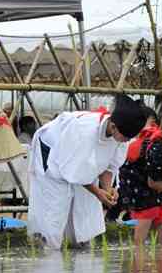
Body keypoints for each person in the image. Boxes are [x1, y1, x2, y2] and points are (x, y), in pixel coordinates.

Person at [28, 94, 146, 249]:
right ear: (113, 126)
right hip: (51, 156)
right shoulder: (84, 131)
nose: (126, 141)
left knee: (85, 208)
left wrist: (108, 189)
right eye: (125, 137)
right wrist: (98, 192)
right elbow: (73, 170)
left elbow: (109, 166)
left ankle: (80, 246)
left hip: (80, 167)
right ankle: (47, 249)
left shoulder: (122, 137)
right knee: (54, 211)